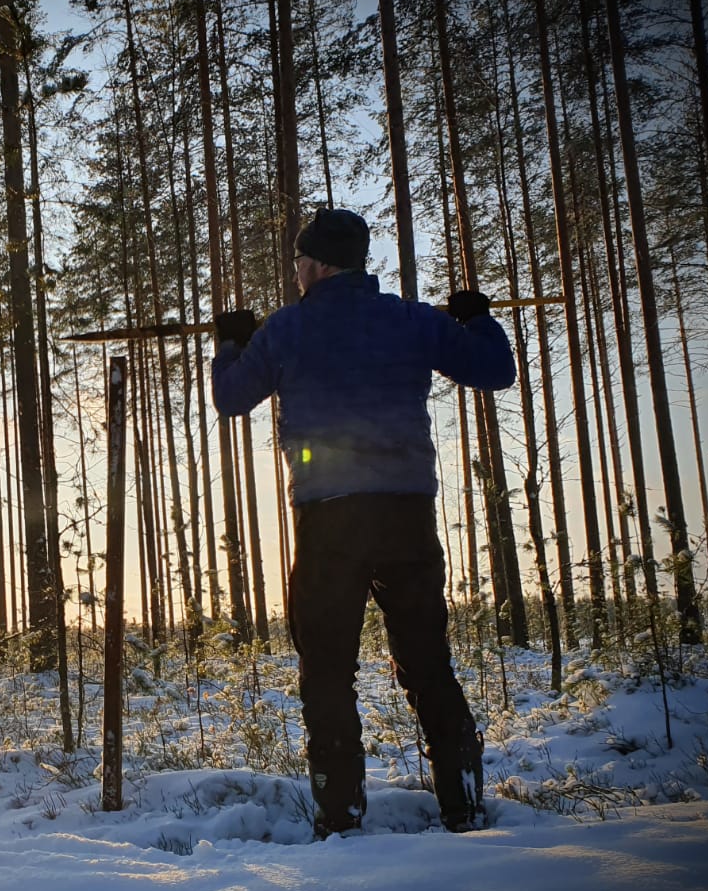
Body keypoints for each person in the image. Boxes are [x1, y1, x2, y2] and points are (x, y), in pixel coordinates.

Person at [210, 207, 515, 836]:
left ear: (318, 265)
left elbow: (232, 398)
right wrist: (477, 318)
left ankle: (341, 819)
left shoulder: (288, 328)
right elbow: (495, 370)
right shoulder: (410, 319)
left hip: (330, 521)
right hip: (406, 514)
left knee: (327, 669)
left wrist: (232, 342)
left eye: (299, 263)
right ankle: (463, 806)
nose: (295, 274)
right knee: (428, 660)